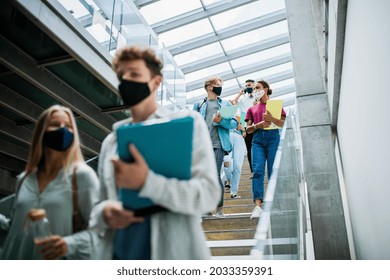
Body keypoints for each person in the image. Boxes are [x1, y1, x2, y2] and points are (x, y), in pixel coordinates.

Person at [89, 45, 220, 260]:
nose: (127, 81)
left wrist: (147, 182)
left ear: (156, 81)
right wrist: (105, 214)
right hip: (121, 251)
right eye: (122, 76)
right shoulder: (111, 141)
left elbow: (209, 195)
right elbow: (99, 204)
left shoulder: (186, 125)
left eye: (135, 74)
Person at [0, 105, 100, 260]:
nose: (62, 130)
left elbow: (99, 231)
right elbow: (15, 226)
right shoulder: (24, 179)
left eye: (68, 126)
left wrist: (69, 244)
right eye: (55, 124)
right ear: (41, 132)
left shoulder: (82, 176)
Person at [193, 76, 238, 218]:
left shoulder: (225, 104)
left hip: (218, 144)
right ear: (209, 87)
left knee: (214, 174)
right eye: (218, 85)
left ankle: (219, 209)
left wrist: (220, 121)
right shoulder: (199, 104)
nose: (220, 87)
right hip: (202, 145)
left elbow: (234, 124)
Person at [245, 80, 286, 219]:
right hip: (257, 141)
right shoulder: (252, 109)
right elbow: (248, 130)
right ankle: (258, 206)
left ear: (266, 89)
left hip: (273, 138)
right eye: (255, 88)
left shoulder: (275, 105)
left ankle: (277, 204)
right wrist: (259, 125)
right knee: (257, 171)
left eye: (258, 88)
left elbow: (283, 123)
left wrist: (272, 118)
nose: (255, 90)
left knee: (273, 172)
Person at [231, 79, 256, 177]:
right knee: (250, 149)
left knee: (257, 148)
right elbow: (233, 102)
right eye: (246, 86)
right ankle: (253, 171)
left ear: (254, 86)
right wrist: (240, 94)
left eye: (249, 85)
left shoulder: (257, 98)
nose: (248, 87)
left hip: (256, 125)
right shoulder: (242, 99)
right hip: (246, 127)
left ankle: (259, 168)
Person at [225, 116, 247, 199]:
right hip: (227, 136)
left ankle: (234, 192)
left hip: (238, 138)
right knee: (226, 163)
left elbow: (244, 133)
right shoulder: (223, 108)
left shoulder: (239, 115)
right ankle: (229, 180)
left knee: (237, 166)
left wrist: (243, 129)